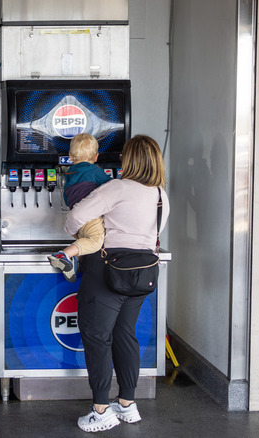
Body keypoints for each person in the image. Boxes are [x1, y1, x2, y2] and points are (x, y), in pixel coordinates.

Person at [64, 135, 169, 433]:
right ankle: (127, 404)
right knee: (126, 336)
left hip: (106, 271)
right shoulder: (161, 194)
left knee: (97, 338)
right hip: (143, 273)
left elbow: (75, 217)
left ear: (130, 160)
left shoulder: (117, 188)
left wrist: (81, 235)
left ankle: (100, 409)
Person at [47, 133, 112, 281]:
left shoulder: (69, 175)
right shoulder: (95, 171)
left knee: (86, 244)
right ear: (96, 156)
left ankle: (74, 261)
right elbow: (112, 188)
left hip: (77, 219)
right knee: (96, 241)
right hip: (92, 218)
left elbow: (66, 198)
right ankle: (64, 255)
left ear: (70, 156)